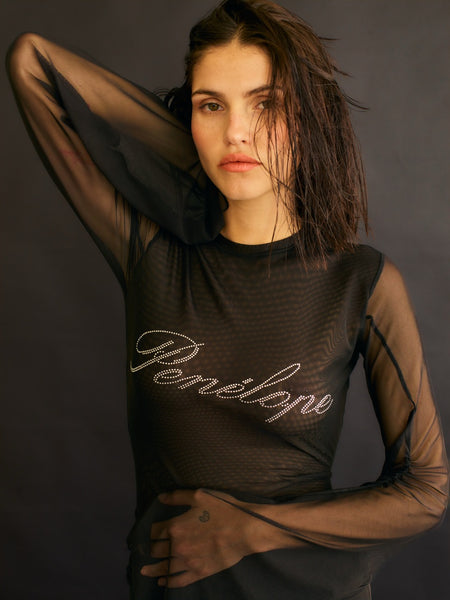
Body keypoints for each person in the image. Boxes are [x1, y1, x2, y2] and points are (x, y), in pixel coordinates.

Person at [6, 0, 448, 598]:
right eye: (210, 105)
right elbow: (32, 61)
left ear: (310, 117)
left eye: (266, 104)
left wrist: (250, 529)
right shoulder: (150, 252)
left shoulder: (360, 281)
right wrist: (200, 168)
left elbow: (425, 490)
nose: (236, 131)